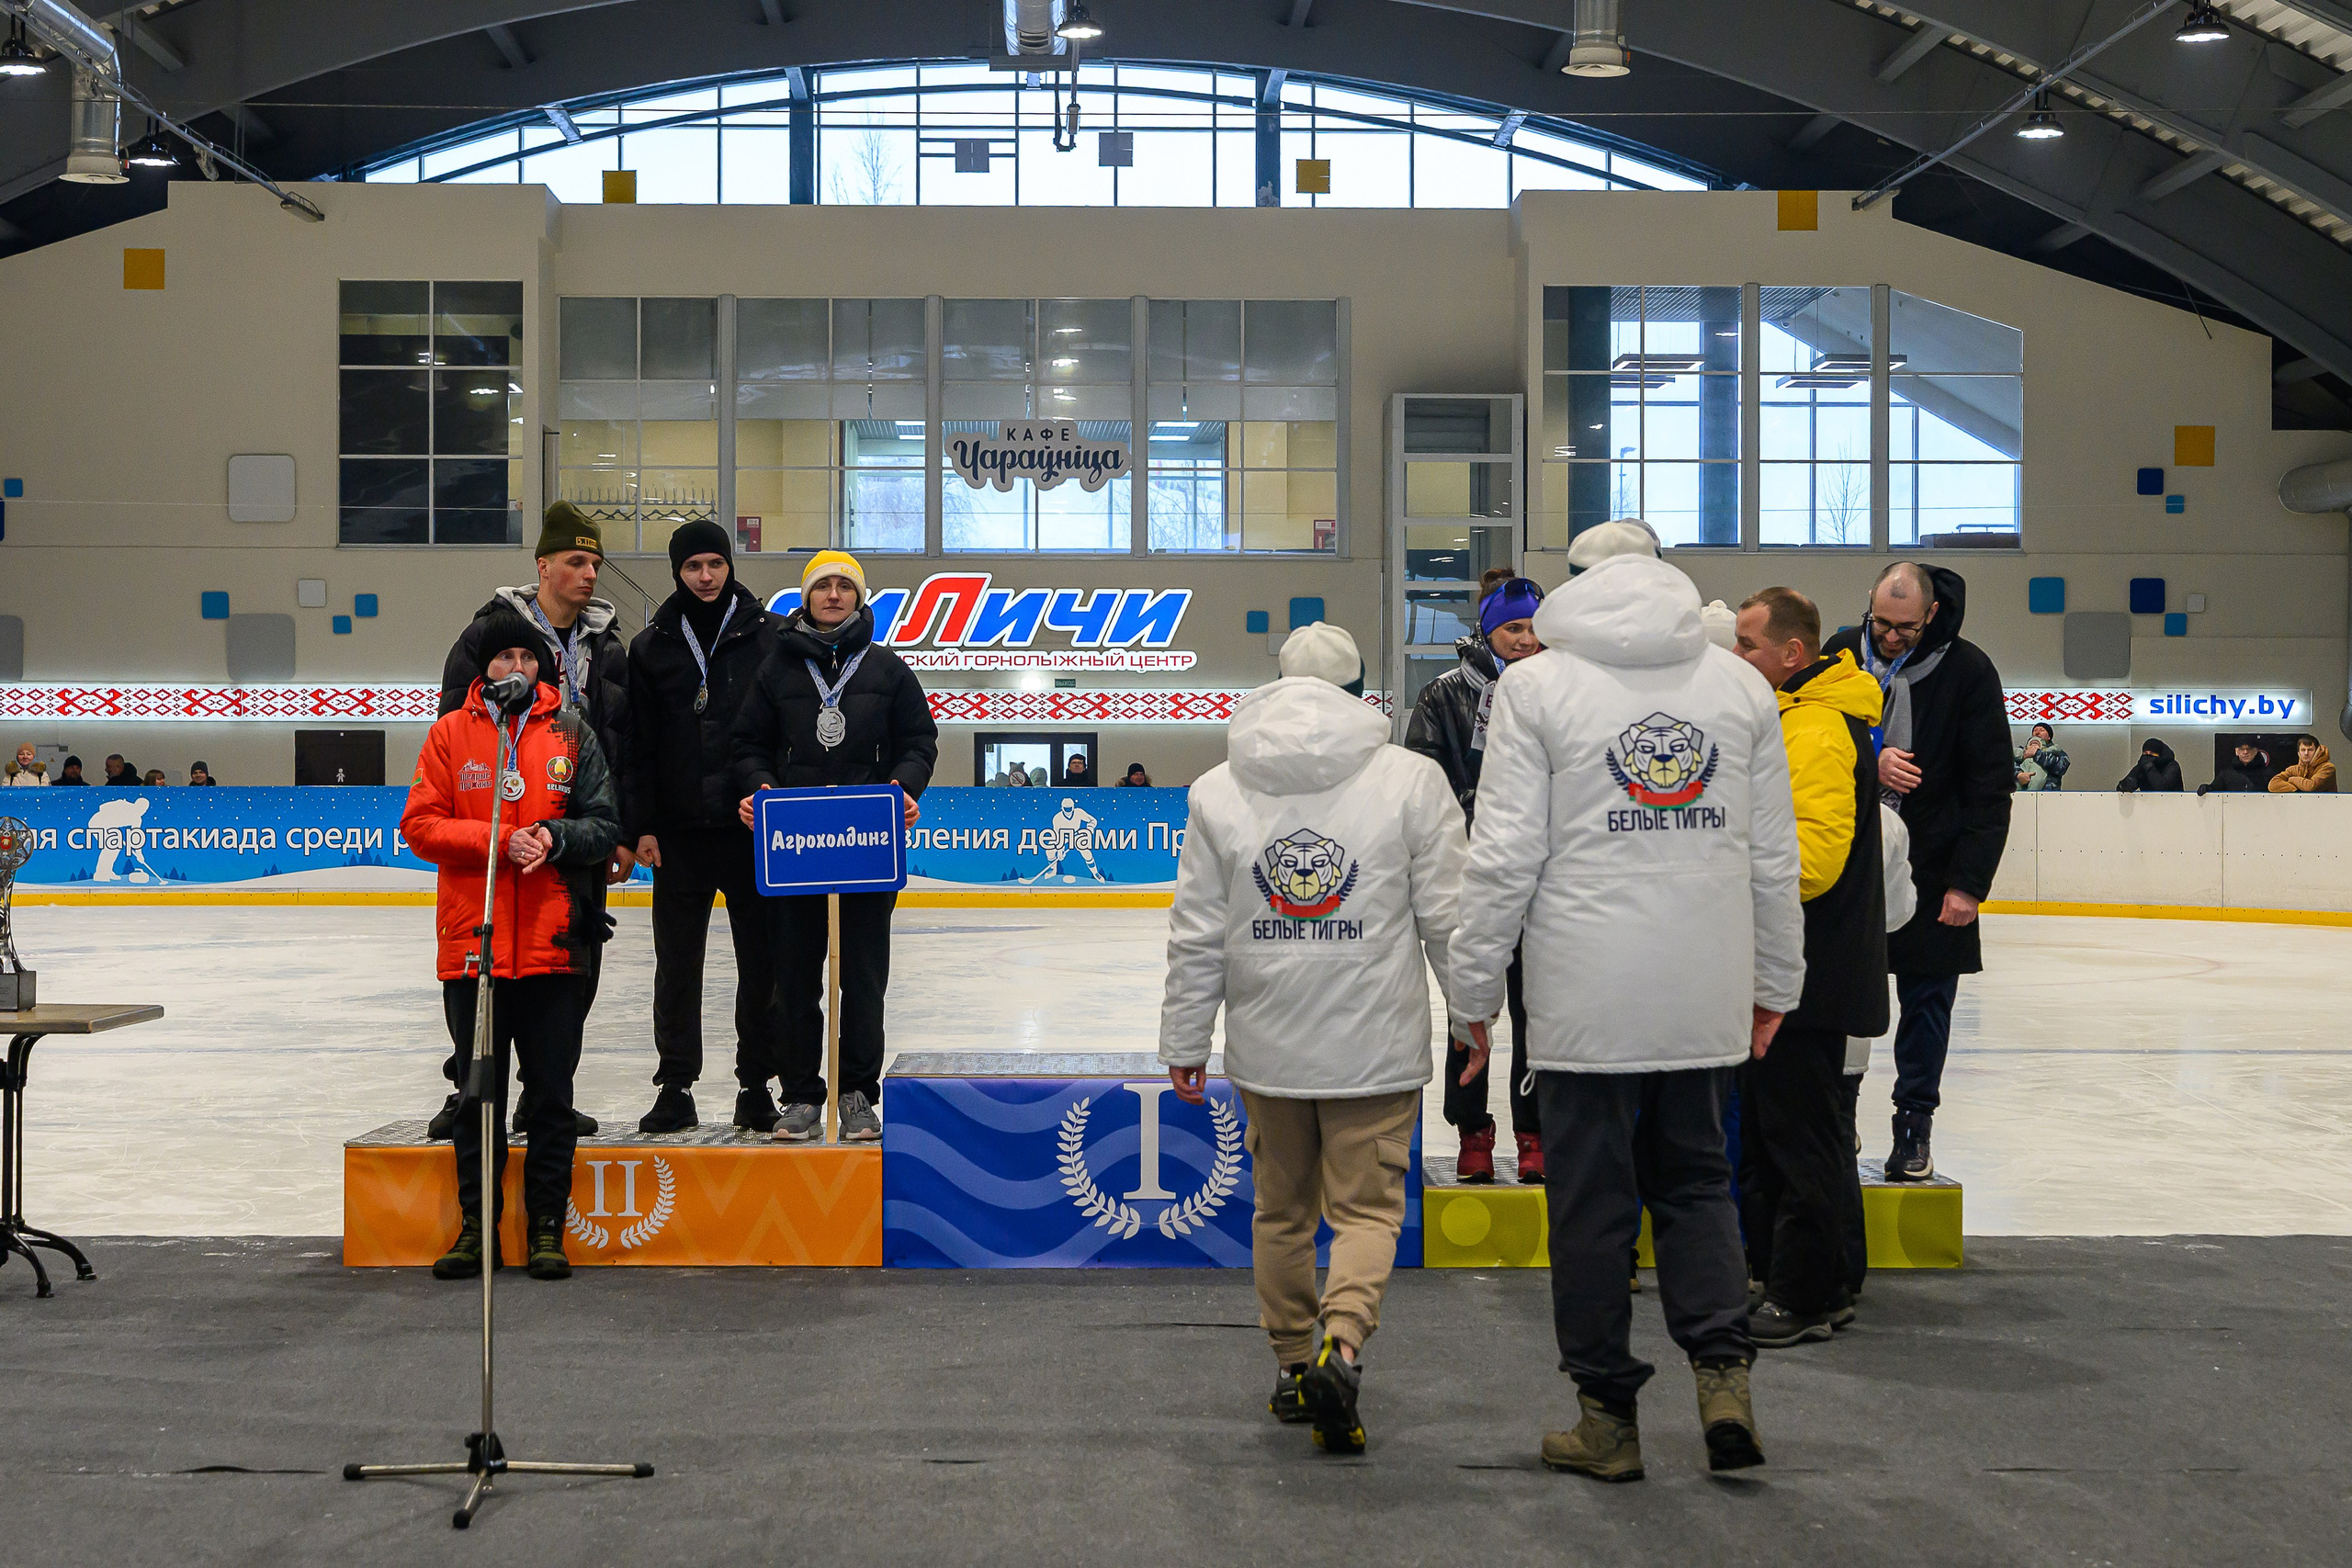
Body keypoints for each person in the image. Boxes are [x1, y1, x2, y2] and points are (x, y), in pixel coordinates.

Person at [1451, 552, 1802, 1483]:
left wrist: (1472, 993)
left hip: (1584, 997)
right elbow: (1773, 857)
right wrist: (1775, 982)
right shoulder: (1739, 687)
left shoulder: (1535, 688)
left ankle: (1607, 1418)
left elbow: (1503, 855)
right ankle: (1723, 1381)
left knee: (1591, 1209)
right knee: (1697, 1185)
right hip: (1702, 986)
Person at [1160, 620, 1467, 1458]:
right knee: (1366, 1209)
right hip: (1375, 1045)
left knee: (1282, 1212)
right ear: (1360, 691)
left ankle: (1295, 1364)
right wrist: (1473, 1011)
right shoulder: (1411, 779)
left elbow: (1197, 929)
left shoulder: (1219, 788)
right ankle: (1344, 1342)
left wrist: (1186, 1036)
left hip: (1269, 1047)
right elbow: (1449, 916)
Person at [401, 610, 621, 1283]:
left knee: (552, 1098)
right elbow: (420, 824)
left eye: (528, 658)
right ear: (485, 668)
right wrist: (500, 840)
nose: (517, 668)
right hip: (476, 949)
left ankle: (548, 1228)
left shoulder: (572, 732)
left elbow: (604, 824)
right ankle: (478, 1230)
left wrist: (554, 837)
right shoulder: (450, 733)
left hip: (555, 944)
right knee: (477, 1100)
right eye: (505, 658)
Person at [430, 501, 629, 1142]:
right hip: (501, 827)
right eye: (576, 561)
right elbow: (455, 726)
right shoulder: (487, 634)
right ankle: (469, 1088)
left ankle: (548, 1093)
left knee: (574, 969)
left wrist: (620, 828)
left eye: (596, 563)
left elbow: (622, 739)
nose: (590, 574)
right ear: (543, 565)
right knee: (480, 967)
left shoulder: (607, 642)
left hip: (578, 831)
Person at [733, 550, 937, 1144]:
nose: (833, 594)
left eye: (844, 586)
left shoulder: (888, 668)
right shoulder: (776, 669)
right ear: (806, 597)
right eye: (822, 585)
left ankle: (856, 1093)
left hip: (866, 845)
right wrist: (759, 788)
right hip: (796, 847)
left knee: (864, 980)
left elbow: (919, 741)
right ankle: (800, 1094)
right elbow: (747, 744)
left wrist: (904, 787)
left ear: (858, 598)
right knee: (795, 979)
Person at [1730, 588, 1886, 1348]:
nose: (1736, 657)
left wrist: (1722, 869)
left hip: (1807, 971)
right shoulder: (1799, 717)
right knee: (1793, 1131)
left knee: (1799, 1137)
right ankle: (1819, 1280)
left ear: (1793, 653)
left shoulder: (1817, 728)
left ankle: (1806, 1293)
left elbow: (1813, 862)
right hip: (1802, 966)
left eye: (1747, 644)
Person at [1822, 563, 2011, 1184]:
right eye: (1882, 622)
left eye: (1906, 627)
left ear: (1930, 614)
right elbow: (1808, 740)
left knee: (1927, 1003)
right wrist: (1871, 758)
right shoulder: (1842, 652)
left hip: (1934, 863)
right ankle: (1839, 1114)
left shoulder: (1969, 670)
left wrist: (1969, 884)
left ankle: (1913, 1125)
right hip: (1849, 860)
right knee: (1841, 999)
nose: (1891, 637)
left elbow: (1990, 787)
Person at [622, 519, 788, 1136]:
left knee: (762, 966)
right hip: (679, 835)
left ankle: (756, 1086)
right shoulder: (652, 645)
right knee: (676, 966)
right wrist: (641, 824)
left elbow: (783, 731)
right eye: (693, 566)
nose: (706, 576)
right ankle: (675, 1086)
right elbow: (637, 745)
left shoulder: (771, 636)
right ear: (677, 572)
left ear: (730, 566)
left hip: (751, 833)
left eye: (715, 563)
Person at [1404, 571, 1546, 1185]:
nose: (1526, 639)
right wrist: (1475, 826)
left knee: (1538, 1011)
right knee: (1471, 1009)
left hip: (1542, 883)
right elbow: (1423, 780)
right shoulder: (1443, 694)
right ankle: (1472, 1131)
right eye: (1513, 627)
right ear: (1488, 631)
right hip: (1471, 878)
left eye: (1534, 627)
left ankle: (1535, 1130)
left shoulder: (1559, 691)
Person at [1838, 804, 1917, 1304]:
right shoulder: (1884, 820)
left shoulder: (1771, 805)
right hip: (1851, 1008)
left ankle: (1780, 1270)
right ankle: (1843, 1273)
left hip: (1786, 1019)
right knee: (1834, 1142)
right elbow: (1898, 912)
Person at [2202, 739, 2275, 795]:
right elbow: (2215, 788)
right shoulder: (2227, 774)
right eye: (2242, 749)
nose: (2245, 752)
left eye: (2249, 749)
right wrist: (2206, 788)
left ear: (2255, 751)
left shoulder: (2268, 773)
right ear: (2237, 752)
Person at [2267, 735, 2337, 793]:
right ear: (2298, 753)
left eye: (2310, 750)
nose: (2306, 753)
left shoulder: (2328, 768)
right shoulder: (2293, 770)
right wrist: (2296, 789)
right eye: (2303, 750)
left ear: (2317, 752)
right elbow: (2273, 785)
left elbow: (2311, 786)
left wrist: (2292, 780)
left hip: (2325, 805)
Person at [2117, 739, 2183, 793]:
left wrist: (2149, 768)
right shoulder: (2143, 764)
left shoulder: (2172, 766)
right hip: (2147, 804)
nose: (2148, 756)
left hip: (2173, 804)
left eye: (2152, 753)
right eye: (2145, 753)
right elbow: (2121, 787)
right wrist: (2126, 784)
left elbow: (2162, 788)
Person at [2016, 723, 2067, 791]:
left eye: (2042, 730)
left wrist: (2037, 754)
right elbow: (2008, 764)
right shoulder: (2021, 751)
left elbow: (2061, 767)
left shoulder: (2057, 751)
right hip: (2019, 794)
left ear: (2049, 737)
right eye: (2035, 730)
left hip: (2048, 793)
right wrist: (2019, 774)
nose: (2037, 732)